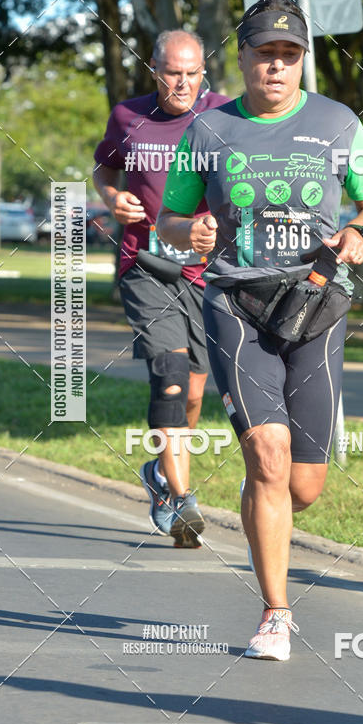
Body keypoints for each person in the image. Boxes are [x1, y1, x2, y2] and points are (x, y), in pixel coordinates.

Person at [157, 0, 363, 658]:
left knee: (303, 486)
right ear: (243, 57)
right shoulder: (208, 132)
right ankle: (276, 615)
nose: (277, 68)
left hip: (316, 307)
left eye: (289, 56)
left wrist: (361, 229)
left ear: (301, 62)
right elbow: (168, 221)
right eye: (266, 55)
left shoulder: (337, 122)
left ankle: (262, 494)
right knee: (269, 455)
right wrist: (189, 231)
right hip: (235, 304)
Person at [93, 29, 228, 546]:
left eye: (193, 73)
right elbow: (105, 166)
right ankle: (180, 498)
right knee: (169, 372)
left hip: (205, 270)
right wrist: (110, 196)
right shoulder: (129, 117)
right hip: (145, 261)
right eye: (174, 73)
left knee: (194, 390)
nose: (184, 83)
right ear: (155, 69)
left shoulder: (224, 116)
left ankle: (160, 474)